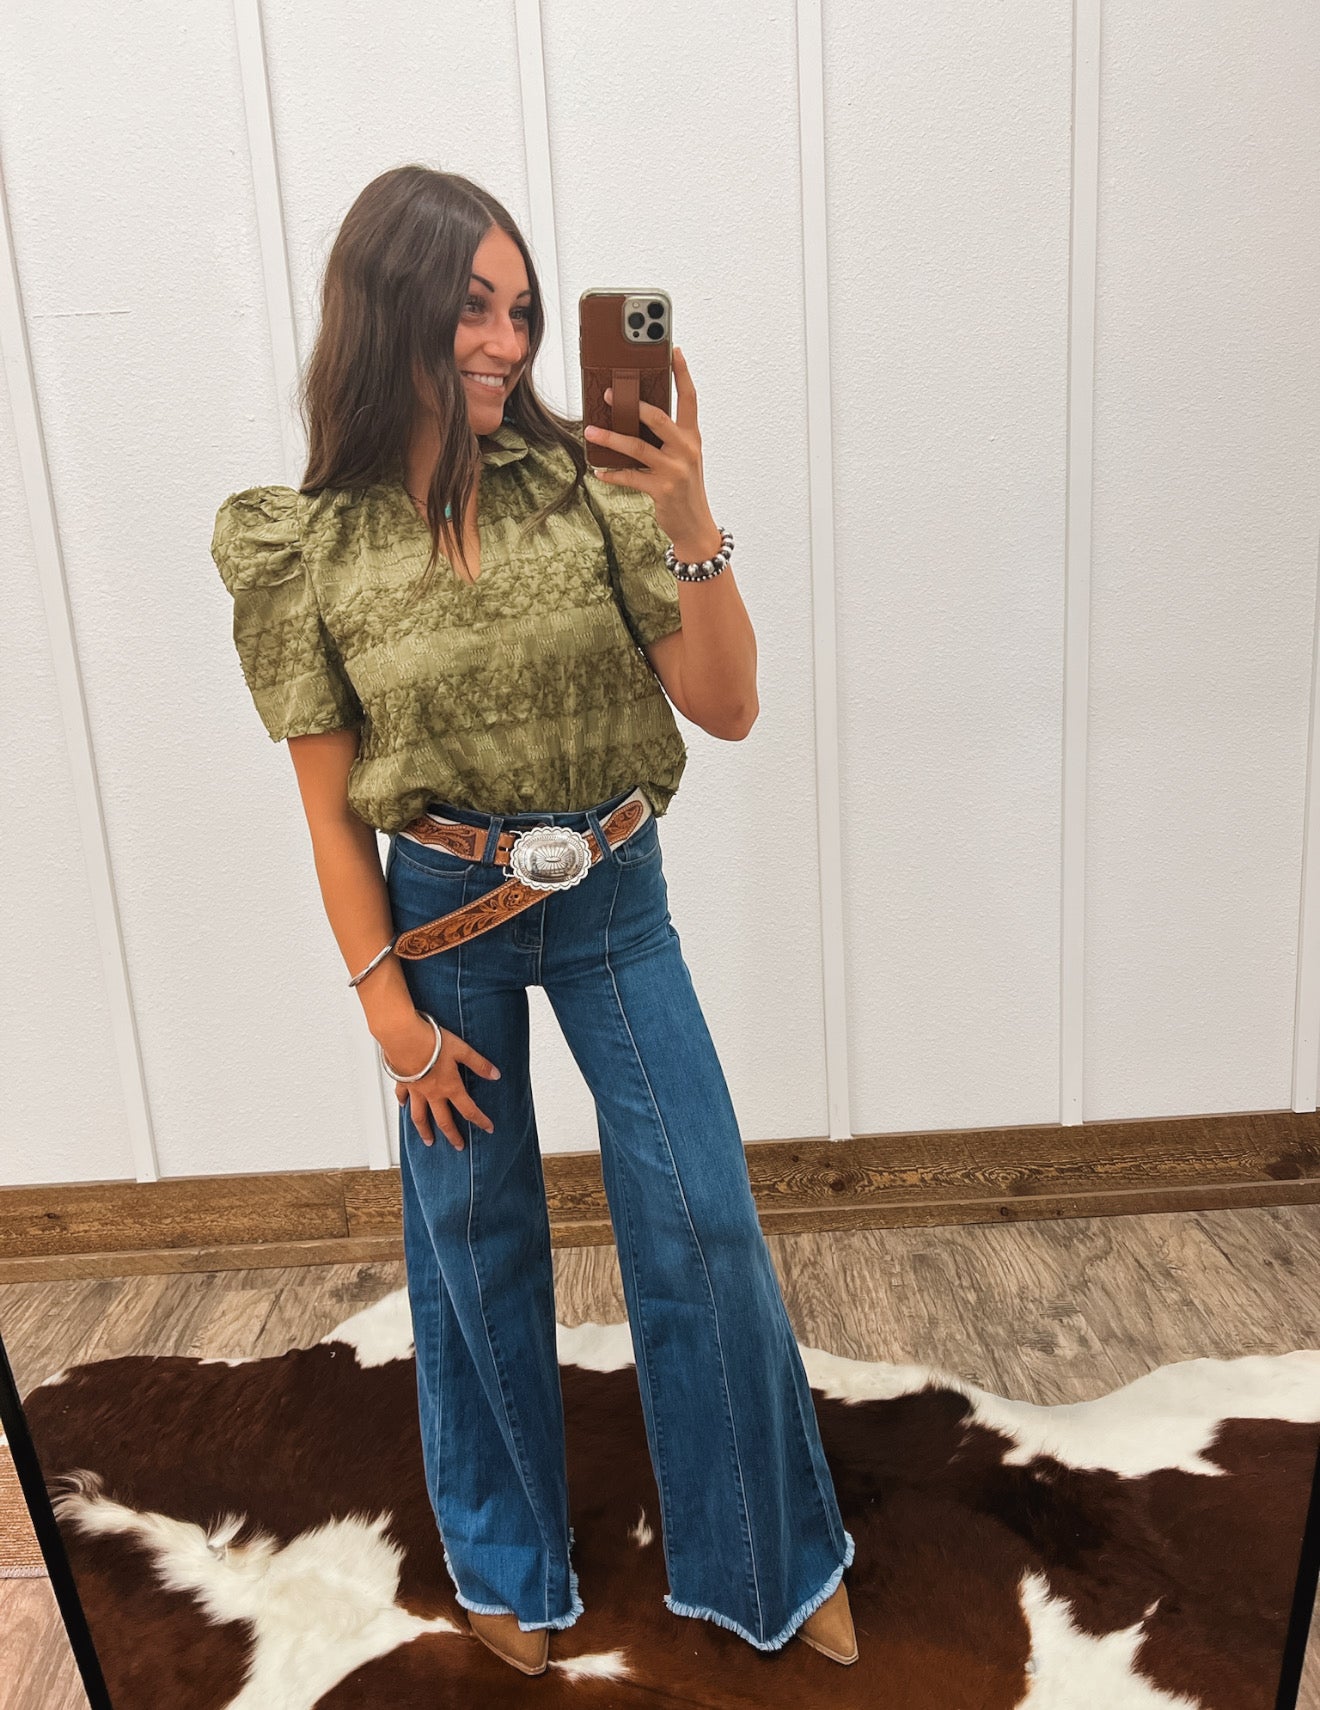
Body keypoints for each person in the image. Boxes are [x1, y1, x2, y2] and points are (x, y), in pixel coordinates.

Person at [209, 164, 857, 1676]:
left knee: (701, 1215)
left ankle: (764, 1549)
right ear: (389, 312)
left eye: (521, 310)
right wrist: (388, 1015)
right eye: (473, 309)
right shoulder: (309, 546)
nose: (506, 342)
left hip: (616, 899)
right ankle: (507, 1557)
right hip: (442, 918)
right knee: (471, 1239)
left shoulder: (591, 489)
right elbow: (330, 811)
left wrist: (690, 512)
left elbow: (729, 707)